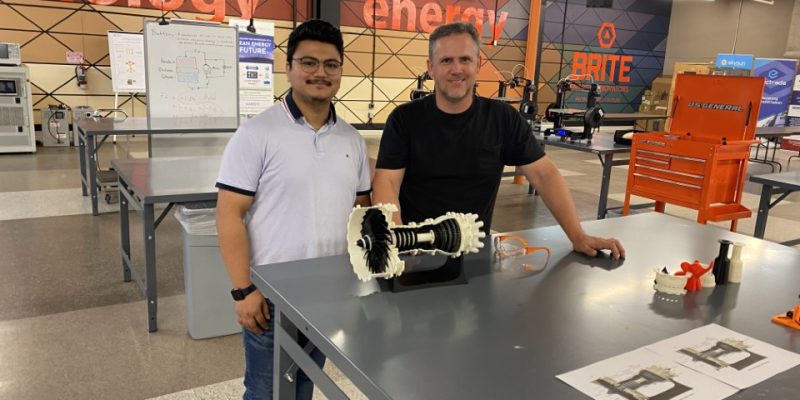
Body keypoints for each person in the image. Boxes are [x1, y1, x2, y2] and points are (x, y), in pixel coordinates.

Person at [372, 22, 625, 259]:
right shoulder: (404, 120)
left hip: (475, 255)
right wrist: (399, 241)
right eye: (446, 60)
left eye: (465, 59)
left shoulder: (502, 119)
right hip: (416, 254)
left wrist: (577, 235)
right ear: (431, 67)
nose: (456, 69)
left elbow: (544, 175)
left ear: (478, 63)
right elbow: (387, 184)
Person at [215, 20, 371, 400]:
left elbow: (363, 212)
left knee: (304, 386)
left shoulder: (352, 140)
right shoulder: (256, 134)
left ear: (340, 70)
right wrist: (243, 290)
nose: (320, 73)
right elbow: (228, 214)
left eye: (331, 64)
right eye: (309, 62)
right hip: (270, 297)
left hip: (328, 293)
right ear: (288, 68)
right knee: (265, 391)